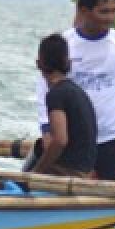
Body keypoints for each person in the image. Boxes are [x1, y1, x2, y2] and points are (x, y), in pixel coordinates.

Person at [36, 0, 115, 180]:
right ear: (84, 11)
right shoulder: (64, 43)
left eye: (114, 11)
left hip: (111, 136)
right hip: (73, 138)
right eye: (103, 12)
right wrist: (45, 129)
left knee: (113, 193)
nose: (110, 18)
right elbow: (44, 89)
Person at [31, 34, 98, 177]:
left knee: (36, 157)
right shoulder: (76, 91)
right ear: (68, 63)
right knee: (40, 146)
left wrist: (37, 171)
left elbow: (60, 140)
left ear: (38, 63)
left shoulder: (56, 94)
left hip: (71, 171)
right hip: (85, 166)